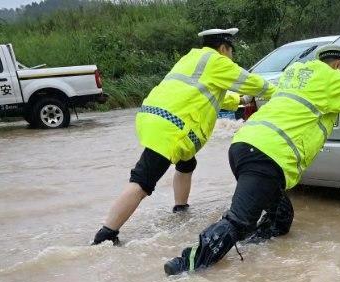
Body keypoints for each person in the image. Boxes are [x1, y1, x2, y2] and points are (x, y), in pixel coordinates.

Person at [163, 45, 340, 275]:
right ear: (338, 65)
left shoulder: (295, 74)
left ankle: (252, 246)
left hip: (244, 146)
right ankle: (187, 265)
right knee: (238, 221)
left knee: (281, 218)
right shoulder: (332, 77)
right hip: (267, 156)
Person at [92, 28, 275, 246]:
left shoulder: (191, 59)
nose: (232, 57)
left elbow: (213, 96)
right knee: (142, 181)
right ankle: (106, 234)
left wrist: (240, 101)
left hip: (152, 118)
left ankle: (180, 208)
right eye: (231, 51)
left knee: (187, 162)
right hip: (171, 128)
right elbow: (255, 84)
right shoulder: (218, 62)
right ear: (224, 47)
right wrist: (282, 93)